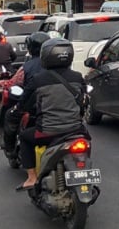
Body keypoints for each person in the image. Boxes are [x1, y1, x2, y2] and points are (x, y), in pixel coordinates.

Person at [15, 38, 87, 191]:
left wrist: (19, 109)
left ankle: (32, 178)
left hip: (47, 131)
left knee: (24, 138)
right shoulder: (78, 77)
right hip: (76, 130)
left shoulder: (38, 80)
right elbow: (82, 102)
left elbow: (25, 104)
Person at [0, 32, 51, 152]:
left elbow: (13, 83)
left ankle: (10, 148)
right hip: (58, 107)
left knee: (10, 115)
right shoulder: (62, 67)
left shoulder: (27, 67)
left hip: (34, 108)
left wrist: (4, 84)